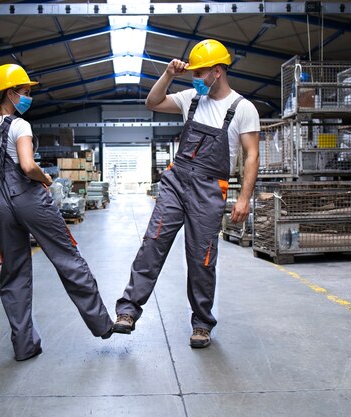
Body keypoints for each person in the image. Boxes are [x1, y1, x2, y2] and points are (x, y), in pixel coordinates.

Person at [113, 39, 260, 348]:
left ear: (217, 72)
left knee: (202, 258)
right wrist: (167, 74)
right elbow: (152, 103)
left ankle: (202, 323)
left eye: (200, 72)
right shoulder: (191, 97)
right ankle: (127, 311)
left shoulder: (243, 108)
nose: (195, 78)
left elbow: (251, 156)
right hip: (176, 183)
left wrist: (244, 198)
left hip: (209, 190)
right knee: (152, 243)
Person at [0, 64, 113, 361]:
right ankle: (101, 323)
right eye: (25, 92)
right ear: (9, 93)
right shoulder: (20, 126)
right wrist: (46, 180)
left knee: (14, 272)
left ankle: (24, 346)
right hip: (28, 196)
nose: (27, 97)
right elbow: (27, 166)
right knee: (67, 257)